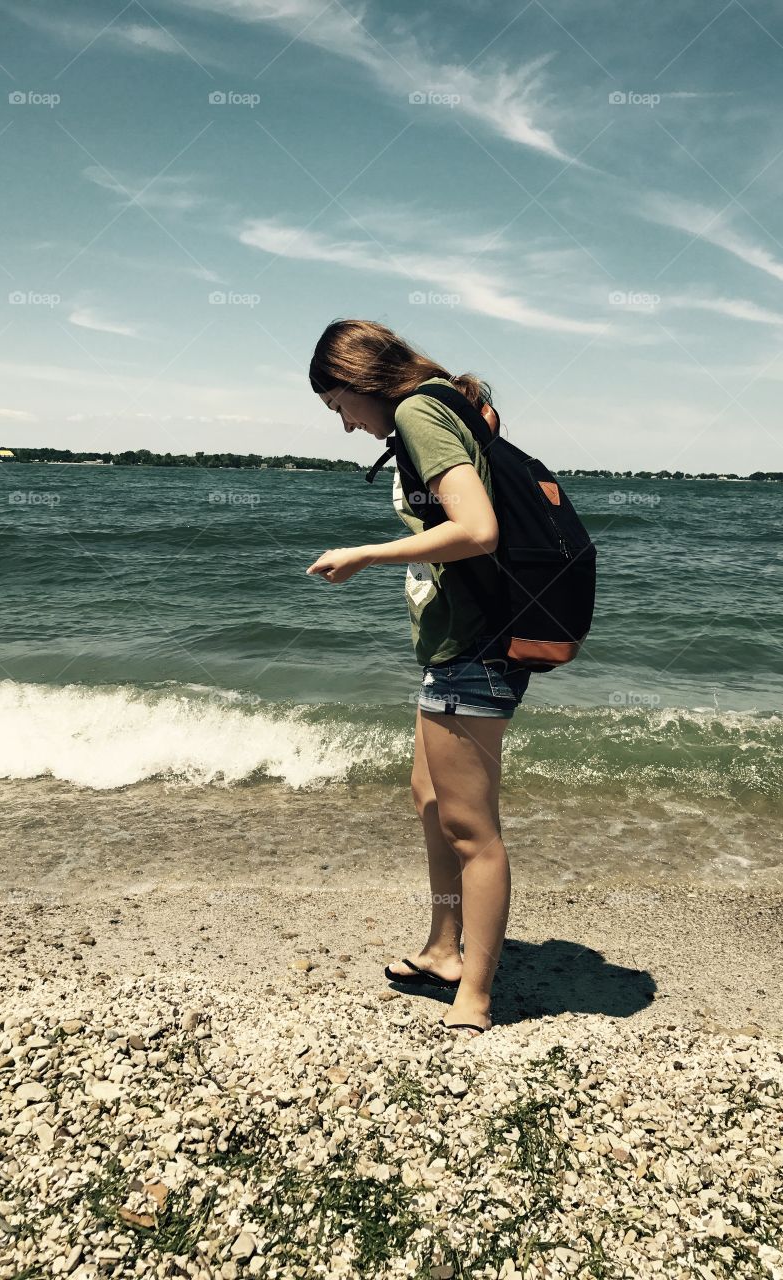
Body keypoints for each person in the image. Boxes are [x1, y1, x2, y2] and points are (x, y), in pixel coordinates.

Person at [306, 319, 532, 1038]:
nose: (345, 425)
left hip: (479, 645)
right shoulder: (442, 405)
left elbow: (479, 528)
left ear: (359, 380)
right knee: (429, 796)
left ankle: (477, 994)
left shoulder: (417, 411)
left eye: (338, 405)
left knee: (472, 828)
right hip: (456, 645)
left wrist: (366, 555)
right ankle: (441, 948)